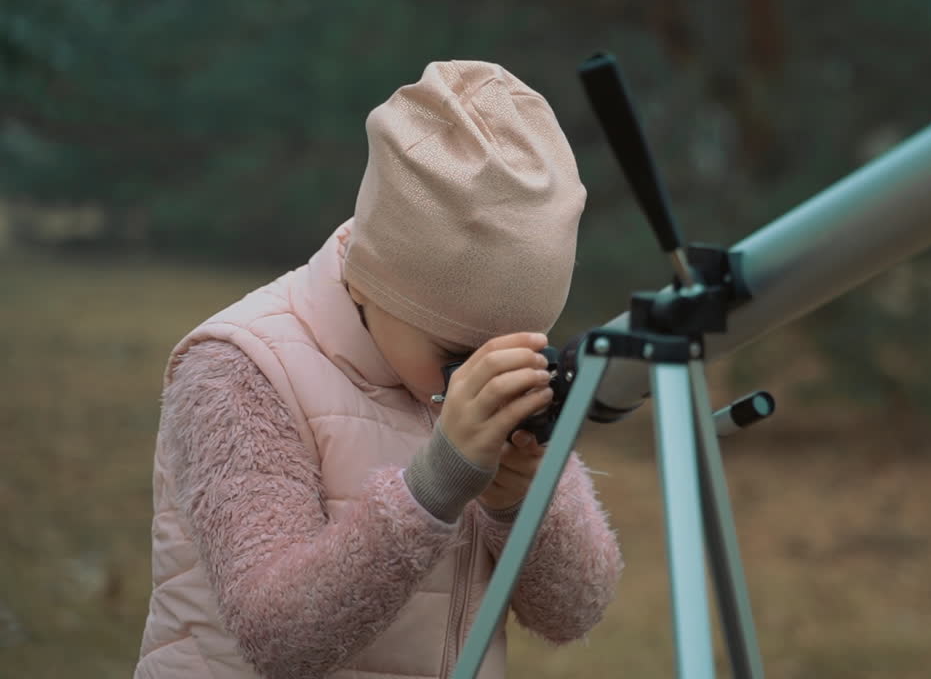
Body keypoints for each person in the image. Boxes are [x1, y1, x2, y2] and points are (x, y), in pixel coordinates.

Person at [134, 60, 625, 679]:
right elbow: (280, 640)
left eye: (507, 351)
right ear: (375, 279)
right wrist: (435, 486)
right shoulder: (239, 367)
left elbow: (574, 612)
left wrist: (522, 499)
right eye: (456, 354)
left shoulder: (469, 353)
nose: (475, 378)